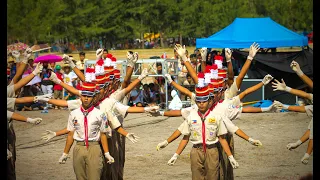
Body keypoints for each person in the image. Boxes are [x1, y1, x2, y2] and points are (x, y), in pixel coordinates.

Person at [58, 81, 114, 180]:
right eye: (84, 95)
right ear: (80, 97)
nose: (86, 98)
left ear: (93, 97)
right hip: (78, 148)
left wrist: (107, 153)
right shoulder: (73, 113)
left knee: (94, 177)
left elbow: (103, 135)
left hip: (94, 148)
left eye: (89, 96)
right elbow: (70, 134)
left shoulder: (100, 114)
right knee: (80, 177)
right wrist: (65, 153)